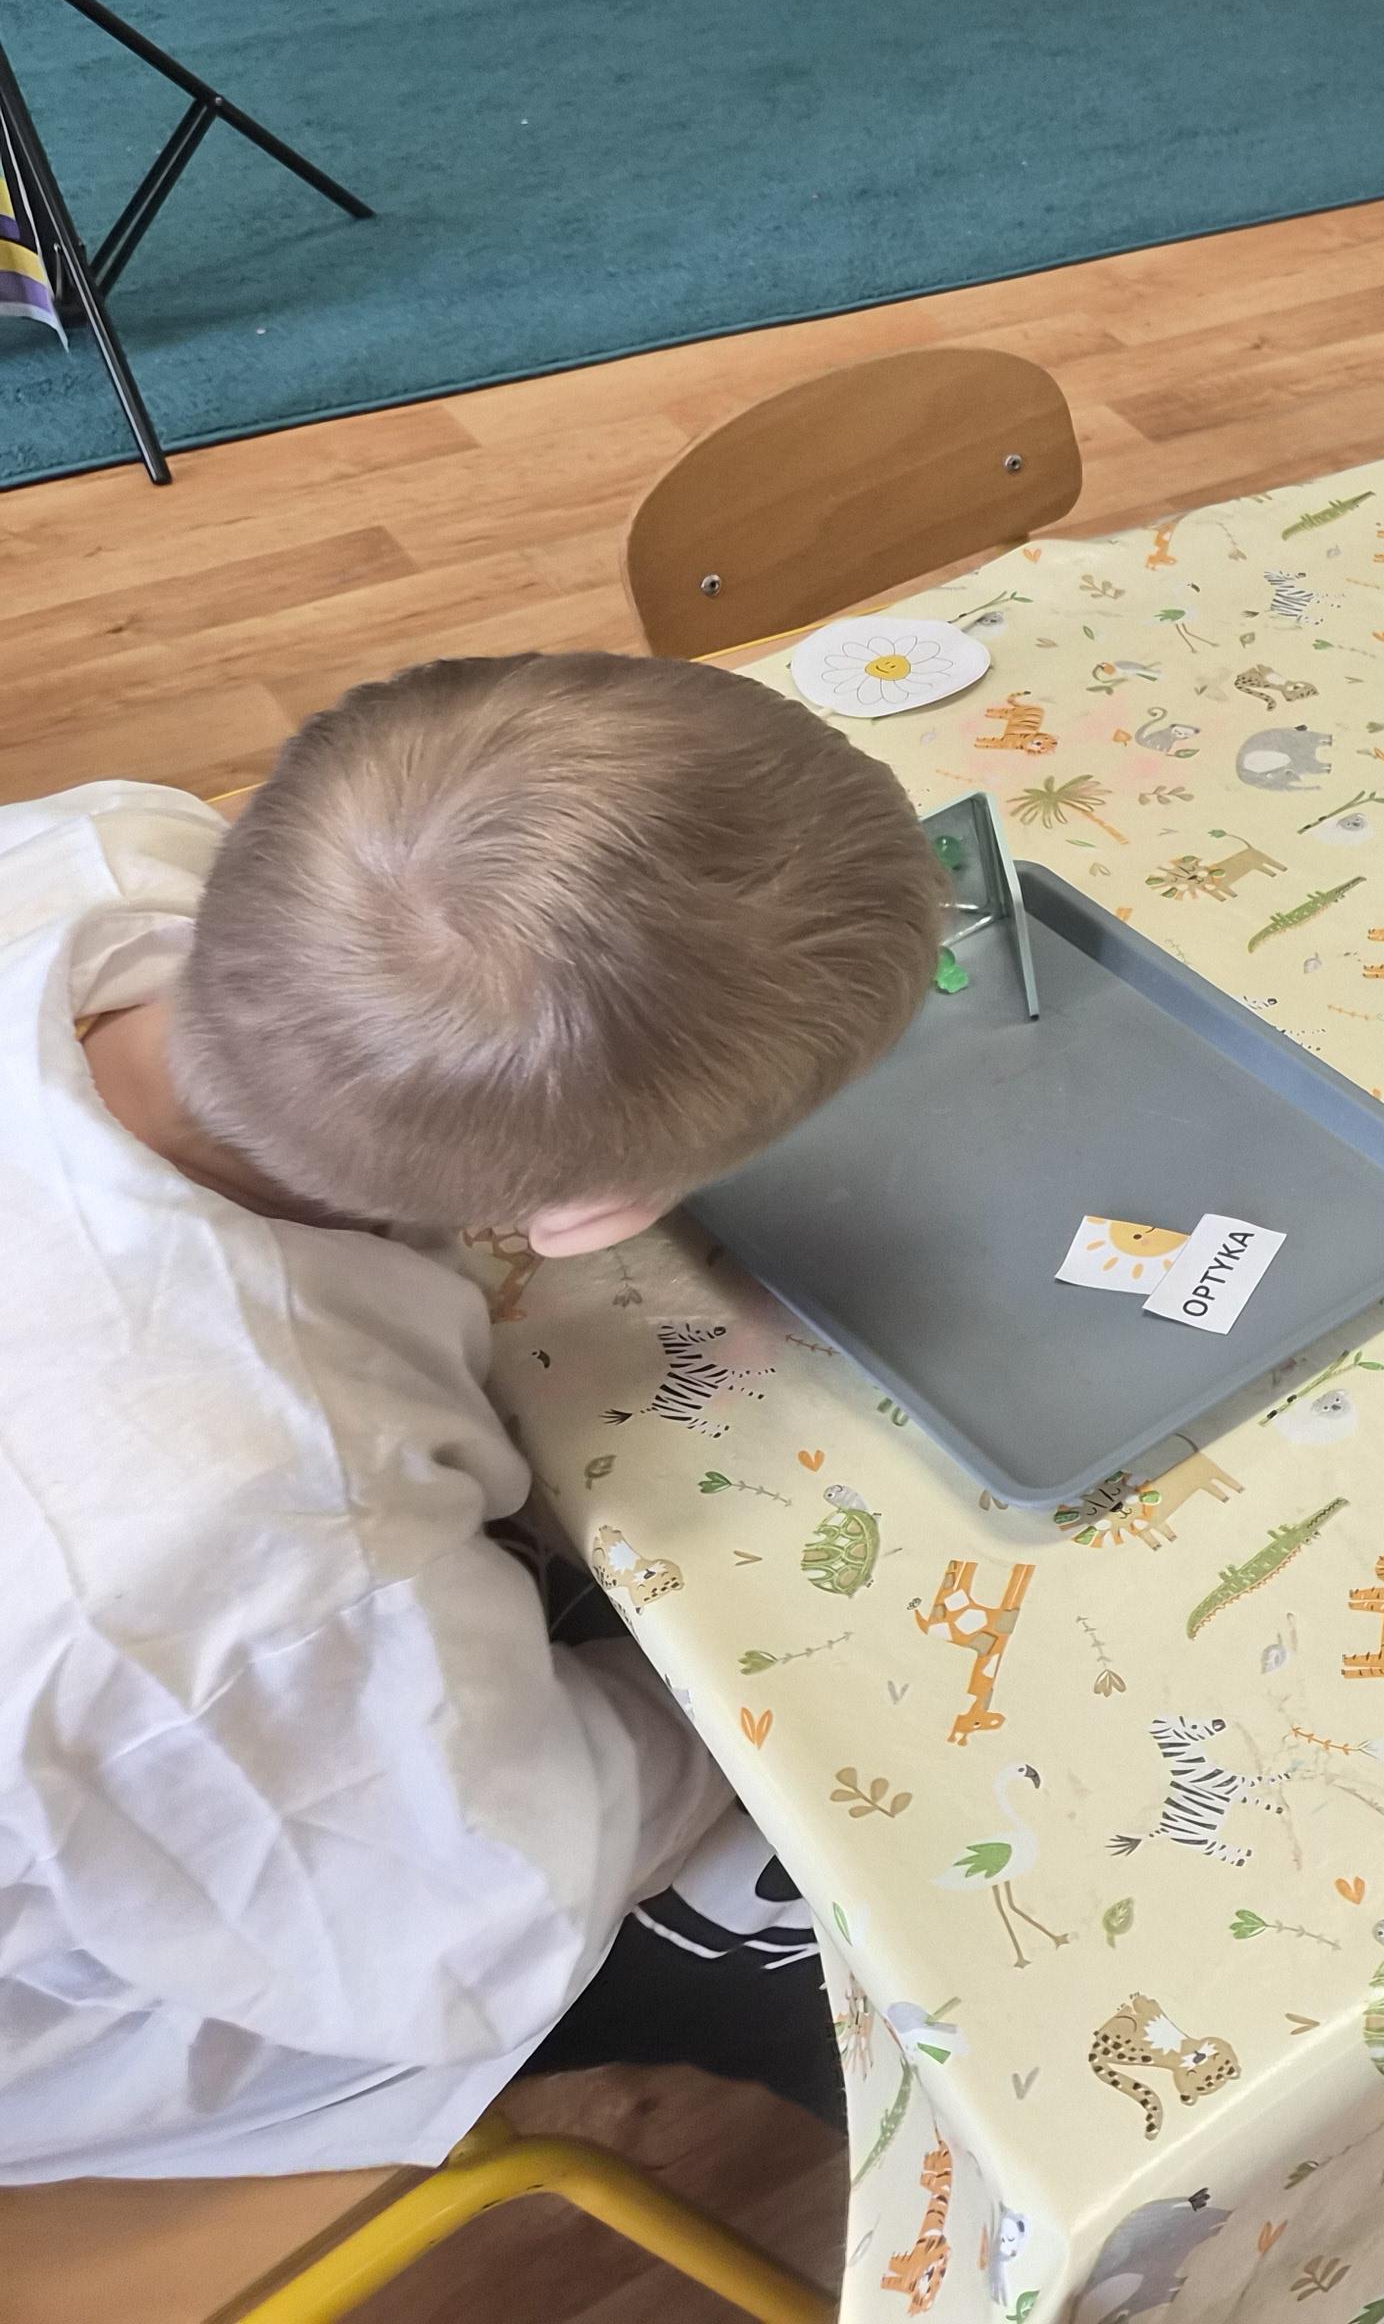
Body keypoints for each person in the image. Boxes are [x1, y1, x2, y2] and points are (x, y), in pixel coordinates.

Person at [0, 653, 942, 2179]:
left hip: (173, 1677)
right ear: (588, 1219)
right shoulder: (270, 1540)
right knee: (856, 1913)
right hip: (117, 1958)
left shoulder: (101, 844)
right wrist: (740, 1696)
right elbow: (483, 1899)